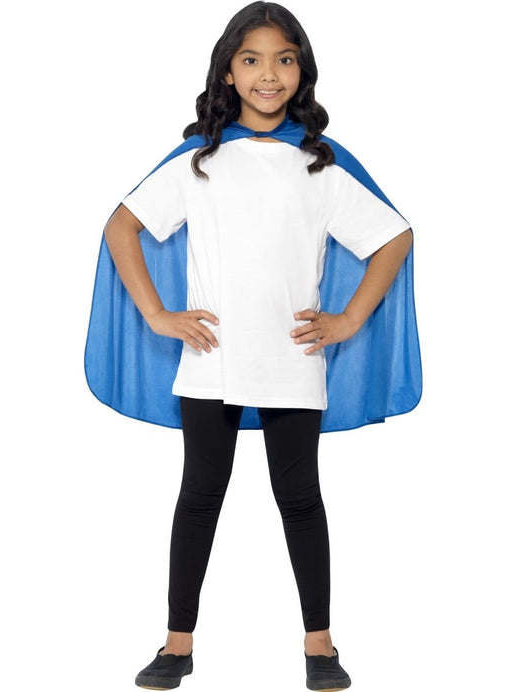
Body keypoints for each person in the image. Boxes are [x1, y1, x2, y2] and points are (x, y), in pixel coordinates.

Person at [85, 2, 421, 690]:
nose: (268, 73)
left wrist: (348, 319)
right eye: (251, 59)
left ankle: (320, 646)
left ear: (301, 72)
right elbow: (122, 226)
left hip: (292, 359)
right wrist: (156, 313)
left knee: (299, 498)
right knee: (200, 496)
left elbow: (394, 236)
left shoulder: (319, 164)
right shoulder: (199, 161)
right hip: (210, 359)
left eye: (283, 59)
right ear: (228, 74)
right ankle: (177, 644)